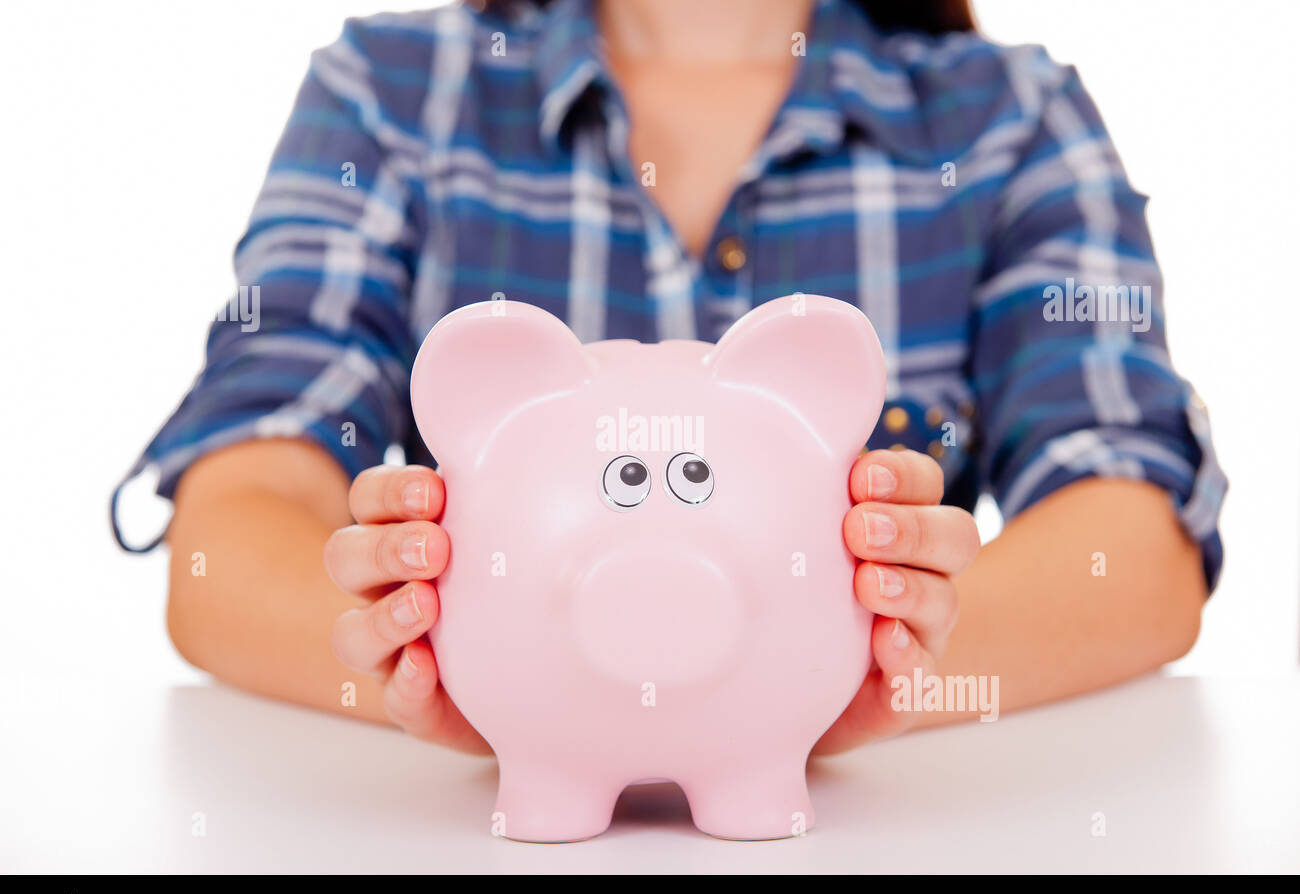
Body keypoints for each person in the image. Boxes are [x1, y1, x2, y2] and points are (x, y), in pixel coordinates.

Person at [113, 0, 1225, 756]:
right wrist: (440, 664)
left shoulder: (1007, 117)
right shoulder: (394, 95)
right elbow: (230, 536)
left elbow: (1128, 539)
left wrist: (859, 673)